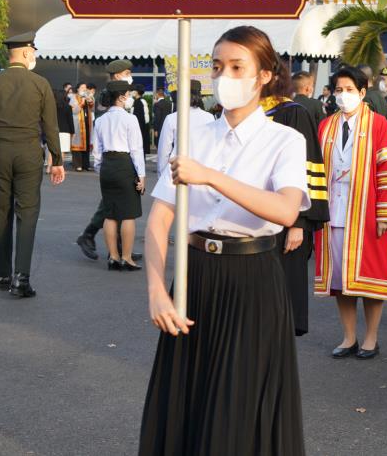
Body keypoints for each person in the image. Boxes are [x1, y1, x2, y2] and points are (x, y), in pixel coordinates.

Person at [139, 28, 309, 455]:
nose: (224, 77)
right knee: (185, 403)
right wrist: (157, 291)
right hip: (193, 276)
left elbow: (286, 210)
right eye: (217, 67)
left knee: (238, 407)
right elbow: (160, 218)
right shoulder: (193, 137)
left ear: (264, 75)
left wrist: (211, 176)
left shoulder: (285, 140)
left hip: (252, 282)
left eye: (237, 67)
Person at [0, 32, 65, 297]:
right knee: (27, 213)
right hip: (29, 153)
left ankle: (4, 274)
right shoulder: (40, 83)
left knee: (1, 212)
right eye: (33, 52)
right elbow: (50, 127)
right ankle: (21, 279)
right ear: (26, 53)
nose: (34, 57)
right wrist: (57, 160)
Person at [314, 65, 387, 359]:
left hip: (366, 212)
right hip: (333, 213)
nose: (343, 95)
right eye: (339, 90)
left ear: (362, 93)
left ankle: (371, 338)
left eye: (349, 90)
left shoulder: (378, 124)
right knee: (340, 280)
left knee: (369, 276)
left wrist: (386, 213)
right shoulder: (326, 126)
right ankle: (349, 336)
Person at [254, 38, 329, 337]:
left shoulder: (291, 112)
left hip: (286, 219)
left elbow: (307, 167)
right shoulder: (244, 114)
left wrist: (299, 223)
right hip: (252, 218)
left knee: (281, 294)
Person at [76, 59, 137, 261]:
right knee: (113, 205)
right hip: (115, 156)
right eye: (127, 73)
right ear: (118, 75)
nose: (130, 76)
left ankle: (118, 247)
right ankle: (92, 236)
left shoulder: (119, 92)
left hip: (113, 160)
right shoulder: (111, 93)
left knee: (113, 204)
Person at [92, 80, 146, 272]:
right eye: (128, 94)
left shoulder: (100, 120)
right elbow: (136, 149)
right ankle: (126, 258)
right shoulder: (130, 119)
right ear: (122, 97)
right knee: (128, 214)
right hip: (124, 165)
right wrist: (141, 175)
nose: (129, 97)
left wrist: (101, 169)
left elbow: (96, 152)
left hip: (107, 166)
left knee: (110, 214)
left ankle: (113, 257)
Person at [155, 81, 215, 180]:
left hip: (177, 170)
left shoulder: (172, 118)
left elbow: (164, 151)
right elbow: (212, 148)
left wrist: (161, 174)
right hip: (202, 171)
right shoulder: (209, 118)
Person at [70, 83, 94, 171]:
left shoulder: (88, 96)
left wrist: (90, 100)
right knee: (77, 144)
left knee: (86, 144)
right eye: (82, 87)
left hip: (87, 123)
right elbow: (74, 111)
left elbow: (92, 107)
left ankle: (86, 165)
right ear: (77, 89)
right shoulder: (73, 97)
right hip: (77, 124)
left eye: (85, 87)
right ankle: (77, 165)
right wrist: (82, 103)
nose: (84, 89)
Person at [55, 84, 75, 174]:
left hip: (54, 130)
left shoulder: (53, 107)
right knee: (62, 150)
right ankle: (60, 168)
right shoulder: (68, 107)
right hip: (65, 131)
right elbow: (70, 120)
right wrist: (72, 131)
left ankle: (49, 168)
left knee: (53, 150)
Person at [132, 84, 151, 156]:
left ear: (137, 92)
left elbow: (137, 118)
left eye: (134, 90)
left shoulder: (137, 102)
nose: (132, 92)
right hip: (144, 128)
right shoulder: (143, 101)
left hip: (139, 129)